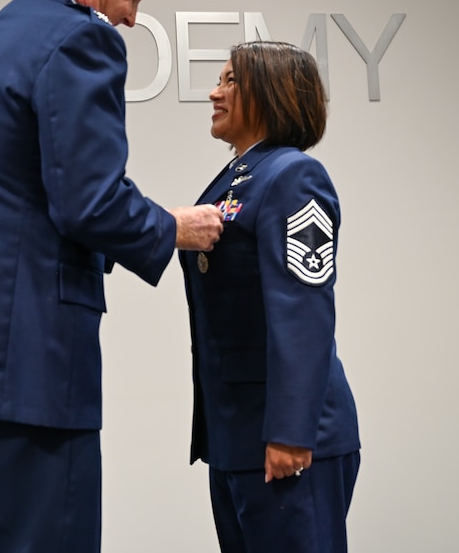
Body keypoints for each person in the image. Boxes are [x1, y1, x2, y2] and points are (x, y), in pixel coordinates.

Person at [0, 0, 224, 553]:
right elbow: (88, 202)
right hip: (29, 357)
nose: (132, 17)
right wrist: (171, 227)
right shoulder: (82, 39)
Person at [179, 42, 361, 553]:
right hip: (237, 436)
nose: (215, 92)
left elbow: (303, 311)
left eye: (231, 80)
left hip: (287, 440)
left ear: (273, 92)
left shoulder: (293, 176)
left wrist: (290, 432)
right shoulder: (235, 179)